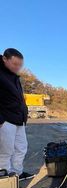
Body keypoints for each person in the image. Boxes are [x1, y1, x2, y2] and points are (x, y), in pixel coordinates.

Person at [0, 48, 34, 181]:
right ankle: (4, 178)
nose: (18, 68)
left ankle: (17, 174)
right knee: (5, 151)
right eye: (15, 64)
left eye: (20, 65)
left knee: (21, 148)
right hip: (5, 119)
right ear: (4, 59)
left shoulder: (14, 77)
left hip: (18, 120)